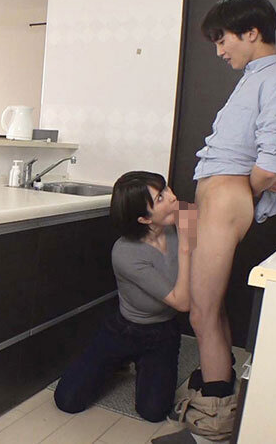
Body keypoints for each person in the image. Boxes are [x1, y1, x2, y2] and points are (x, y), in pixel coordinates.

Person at [188, 0, 276, 410]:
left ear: (251, 32)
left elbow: (271, 163)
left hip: (225, 200)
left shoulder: (275, 79)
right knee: (208, 306)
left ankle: (214, 413)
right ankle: (217, 384)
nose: (219, 51)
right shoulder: (257, 77)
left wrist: (243, 192)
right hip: (218, 198)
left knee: (201, 312)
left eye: (223, 40)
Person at [54, 171, 197, 422]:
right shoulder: (126, 253)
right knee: (67, 400)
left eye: (166, 189)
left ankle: (141, 364)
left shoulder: (179, 222)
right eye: (161, 197)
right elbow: (182, 302)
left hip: (163, 332)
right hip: (125, 330)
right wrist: (187, 245)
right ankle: (116, 363)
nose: (173, 197)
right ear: (144, 218)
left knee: (153, 412)